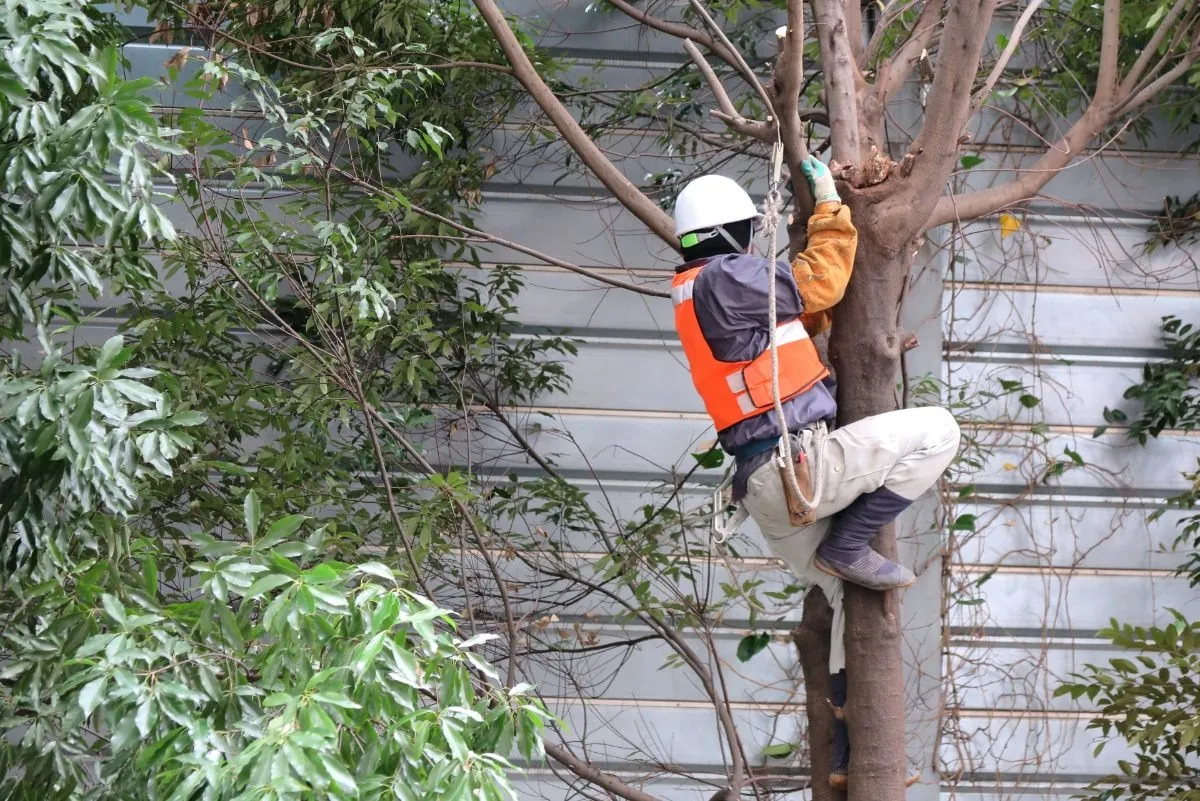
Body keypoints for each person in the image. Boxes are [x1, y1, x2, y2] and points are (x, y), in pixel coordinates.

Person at [670, 157, 961, 789]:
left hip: (764, 482)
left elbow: (796, 320)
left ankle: (843, 752)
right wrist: (831, 207)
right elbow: (822, 282)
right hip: (796, 465)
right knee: (940, 429)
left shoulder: (699, 290)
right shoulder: (725, 278)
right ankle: (849, 540)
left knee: (836, 592)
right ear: (735, 232)